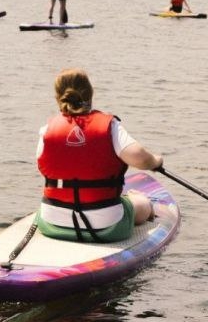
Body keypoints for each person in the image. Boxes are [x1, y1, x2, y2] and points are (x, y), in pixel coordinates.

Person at [35, 68, 163, 243]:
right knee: (141, 204)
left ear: (58, 97)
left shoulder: (46, 130)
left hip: (52, 223)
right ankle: (141, 201)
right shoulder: (110, 127)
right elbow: (140, 159)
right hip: (106, 225)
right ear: (90, 94)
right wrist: (155, 161)